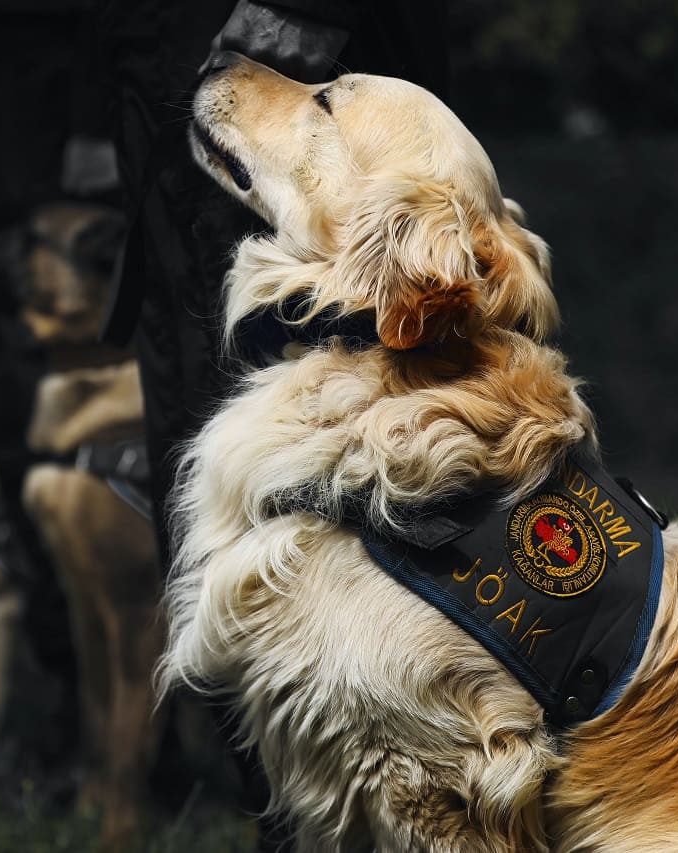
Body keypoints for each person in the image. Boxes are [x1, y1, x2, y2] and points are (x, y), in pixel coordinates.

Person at [96, 0, 449, 844]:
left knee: (352, 534)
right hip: (161, 110)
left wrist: (303, 8)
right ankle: (290, 821)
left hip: (290, 61)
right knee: (213, 506)